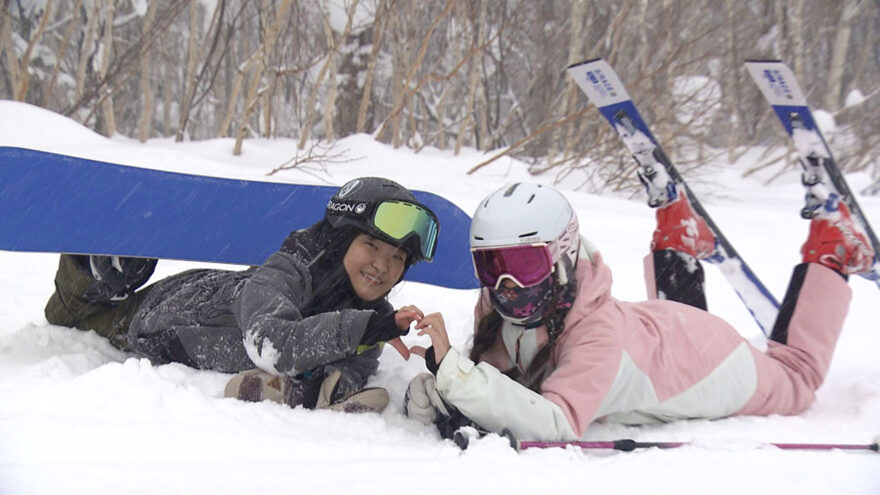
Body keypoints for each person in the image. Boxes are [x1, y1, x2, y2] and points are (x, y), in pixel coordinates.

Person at [403, 182, 875, 441]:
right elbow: (506, 385)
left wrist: (458, 376)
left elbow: (558, 421)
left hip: (711, 361)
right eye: (491, 263)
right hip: (659, 332)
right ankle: (676, 239)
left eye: (523, 262)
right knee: (666, 325)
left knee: (796, 377)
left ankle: (829, 252)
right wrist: (449, 387)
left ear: (563, 253)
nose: (506, 283)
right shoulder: (508, 300)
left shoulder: (597, 336)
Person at [45, 177, 439, 413]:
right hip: (153, 315)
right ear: (340, 239)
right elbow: (273, 344)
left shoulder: (371, 316)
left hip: (209, 316)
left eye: (397, 257)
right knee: (72, 315)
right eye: (371, 245)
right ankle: (97, 263)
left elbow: (354, 356)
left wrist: (336, 385)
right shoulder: (286, 272)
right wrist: (366, 329)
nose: (382, 266)